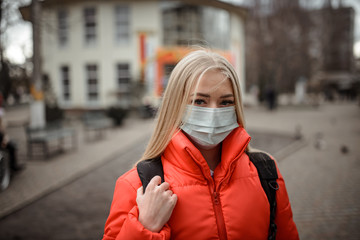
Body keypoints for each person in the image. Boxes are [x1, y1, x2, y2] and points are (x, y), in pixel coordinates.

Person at [102, 49, 299, 239]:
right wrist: (144, 227)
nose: (213, 113)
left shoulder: (266, 172)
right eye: (199, 101)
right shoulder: (137, 185)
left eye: (225, 102)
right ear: (175, 105)